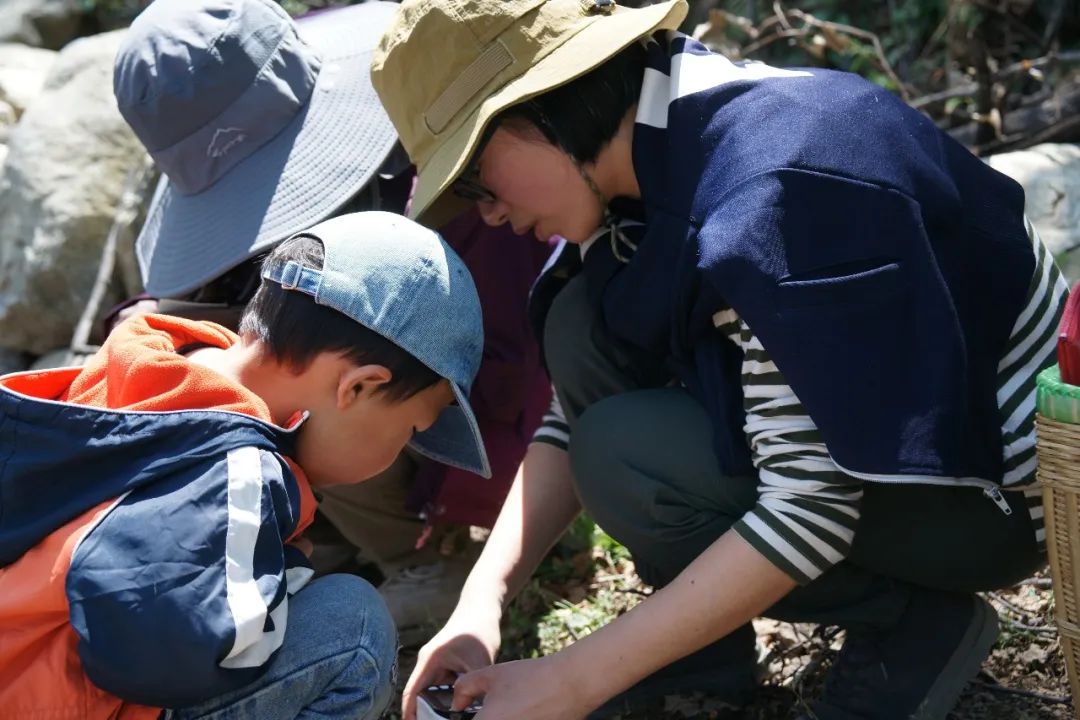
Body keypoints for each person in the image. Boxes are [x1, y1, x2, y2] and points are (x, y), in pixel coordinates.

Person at [370, 1, 1070, 718]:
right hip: (887, 455)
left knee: (625, 453)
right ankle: (700, 655)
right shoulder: (646, 148)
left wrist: (574, 679)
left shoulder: (775, 190)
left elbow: (811, 506)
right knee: (582, 328)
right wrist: (480, 603)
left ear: (541, 108)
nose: (488, 214)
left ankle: (908, 621)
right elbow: (566, 414)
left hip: (986, 499)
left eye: (481, 180)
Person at [110, 0, 553, 643]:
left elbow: (506, 350)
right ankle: (314, 529)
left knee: (312, 370)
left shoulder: (453, 167)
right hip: (358, 403)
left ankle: (418, 550)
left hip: (464, 400)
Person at [0, 210, 488, 719]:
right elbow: (151, 642)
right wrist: (279, 577)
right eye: (409, 432)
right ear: (358, 387)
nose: (398, 452)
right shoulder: (242, 471)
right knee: (354, 628)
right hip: (67, 702)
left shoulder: (146, 370)